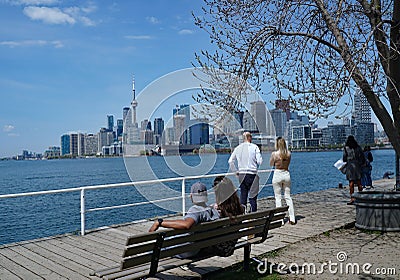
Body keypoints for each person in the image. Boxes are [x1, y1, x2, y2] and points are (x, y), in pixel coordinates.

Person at [149, 182, 219, 232]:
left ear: (191, 196)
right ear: (206, 195)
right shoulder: (213, 210)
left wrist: (159, 222)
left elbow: (187, 224)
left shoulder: (196, 210)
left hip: (190, 250)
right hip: (207, 245)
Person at [228, 131, 263, 212]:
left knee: (243, 196)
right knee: (253, 197)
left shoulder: (238, 148)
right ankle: (253, 216)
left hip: (242, 174)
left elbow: (230, 161)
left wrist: (235, 172)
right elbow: (259, 161)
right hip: (252, 174)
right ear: (249, 138)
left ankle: (242, 216)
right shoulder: (254, 147)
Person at [269, 137, 296, 225]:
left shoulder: (274, 154)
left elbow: (271, 164)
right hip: (286, 174)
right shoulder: (288, 154)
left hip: (277, 174)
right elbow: (288, 164)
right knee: (288, 196)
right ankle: (292, 218)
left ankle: (280, 219)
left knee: (278, 197)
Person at [343, 135, 366, 205]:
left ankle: (352, 198)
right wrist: (362, 164)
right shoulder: (358, 147)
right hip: (357, 166)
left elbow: (344, 158)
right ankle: (361, 197)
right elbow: (362, 157)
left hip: (350, 166)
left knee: (351, 183)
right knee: (359, 182)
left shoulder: (346, 148)